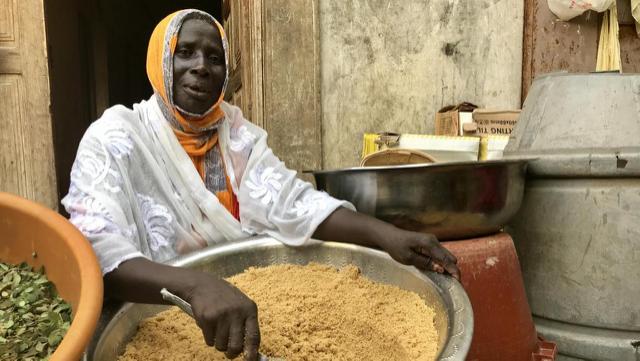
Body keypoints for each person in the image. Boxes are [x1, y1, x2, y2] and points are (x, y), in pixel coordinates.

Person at [63, 9, 460, 361]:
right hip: (155, 318)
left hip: (250, 311)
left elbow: (292, 203)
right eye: (185, 52)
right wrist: (197, 286)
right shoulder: (115, 139)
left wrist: (388, 236)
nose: (201, 66)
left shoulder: (236, 135)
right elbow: (97, 257)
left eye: (214, 57)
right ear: (159, 60)